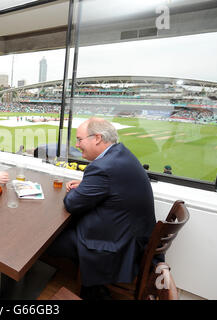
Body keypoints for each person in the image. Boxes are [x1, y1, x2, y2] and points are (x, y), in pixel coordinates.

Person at [46, 117, 156, 299]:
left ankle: (93, 287)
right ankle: (93, 285)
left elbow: (72, 204)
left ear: (97, 138)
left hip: (118, 245)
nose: (77, 144)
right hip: (131, 235)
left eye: (79, 139)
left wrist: (80, 189)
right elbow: (112, 185)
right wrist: (87, 185)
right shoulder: (120, 154)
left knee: (48, 241)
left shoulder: (103, 167)